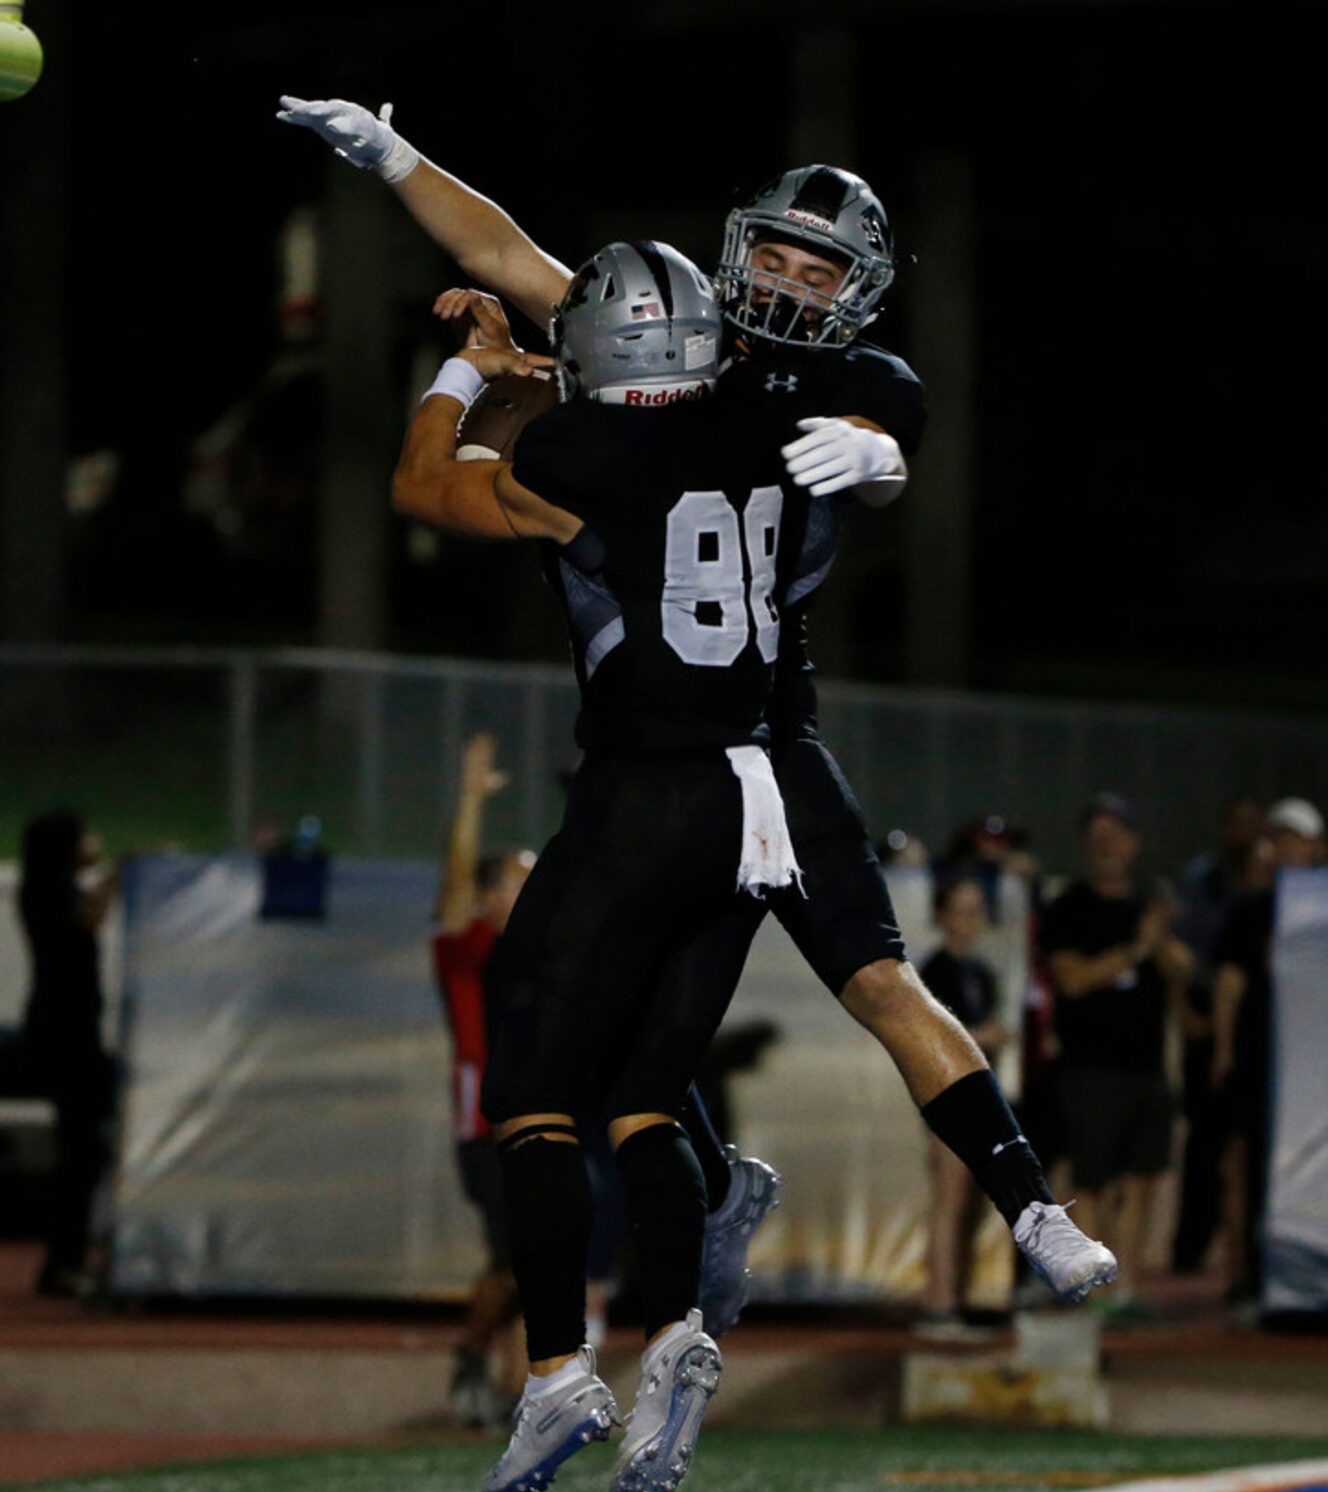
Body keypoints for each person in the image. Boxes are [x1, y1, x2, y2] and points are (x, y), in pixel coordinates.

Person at [279, 101, 1119, 1318]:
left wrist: (875, 457)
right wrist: (396, 158)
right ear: (736, 250)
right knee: (634, 1032)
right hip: (670, 746)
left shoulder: (853, 380)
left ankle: (1030, 1209)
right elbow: (507, 257)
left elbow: (888, 424)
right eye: (769, 252)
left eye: (811, 265)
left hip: (768, 732)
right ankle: (705, 1214)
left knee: (874, 984)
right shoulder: (679, 343)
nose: (779, 279)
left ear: (854, 287)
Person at [393, 241, 809, 1492]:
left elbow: (428, 484)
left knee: (529, 1077)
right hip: (754, 795)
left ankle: (555, 1367)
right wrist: (533, 380)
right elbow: (625, 444)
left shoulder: (576, 457)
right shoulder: (757, 433)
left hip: (641, 790)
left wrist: (467, 374)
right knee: (642, 1084)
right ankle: (682, 1333)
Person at [1040, 795, 1193, 1309]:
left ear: (1133, 846)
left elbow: (1183, 969)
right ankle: (1093, 1289)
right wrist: (1136, 950)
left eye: (1115, 836)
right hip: (1091, 1068)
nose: (1105, 846)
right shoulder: (1069, 906)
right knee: (1094, 1181)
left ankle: (1124, 1294)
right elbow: (1073, 979)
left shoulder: (1148, 905)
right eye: (1096, 837)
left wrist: (1160, 941)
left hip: (1146, 1066)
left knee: (1144, 1179)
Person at [430, 731, 533, 1426]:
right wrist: (470, 799)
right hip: (484, 1126)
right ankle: (471, 1357)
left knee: (537, 1259)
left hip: (537, 1119)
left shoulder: (539, 955)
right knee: (513, 1257)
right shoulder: (469, 951)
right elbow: (455, 888)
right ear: (493, 896)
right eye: (521, 881)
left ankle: (511, 1387)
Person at [1212, 796, 1324, 1303]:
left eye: (1296, 839)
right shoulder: (1252, 909)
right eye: (1279, 839)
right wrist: (1224, 1049)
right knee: (1246, 1166)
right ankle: (1246, 1279)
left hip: (1313, 1069)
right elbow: (1229, 983)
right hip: (1262, 1060)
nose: (1287, 848)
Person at [16, 810, 119, 1297]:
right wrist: (120, 874)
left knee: (85, 1149)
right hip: (64, 1034)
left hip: (74, 1031)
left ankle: (67, 1258)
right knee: (81, 1149)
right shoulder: (46, 894)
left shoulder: (53, 890)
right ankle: (62, 1262)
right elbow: (86, 922)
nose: (92, 843)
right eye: (84, 838)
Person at [1171, 796, 1266, 1273]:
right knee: (1207, 1144)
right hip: (1209, 1024)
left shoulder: (1277, 888)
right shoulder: (1200, 879)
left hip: (1263, 1032)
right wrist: (1187, 1013)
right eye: (1238, 823)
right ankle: (1191, 1250)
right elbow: (1183, 956)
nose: (1245, 834)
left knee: (1252, 1152)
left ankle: (1248, 1259)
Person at [917, 875, 1012, 1331]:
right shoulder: (934, 971)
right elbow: (932, 1039)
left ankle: (956, 1294)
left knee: (969, 1206)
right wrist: (985, 1036)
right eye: (961, 911)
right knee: (949, 1201)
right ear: (941, 916)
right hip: (946, 1102)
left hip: (976, 1102)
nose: (969, 922)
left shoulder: (980, 972)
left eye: (976, 911)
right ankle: (938, 1302)